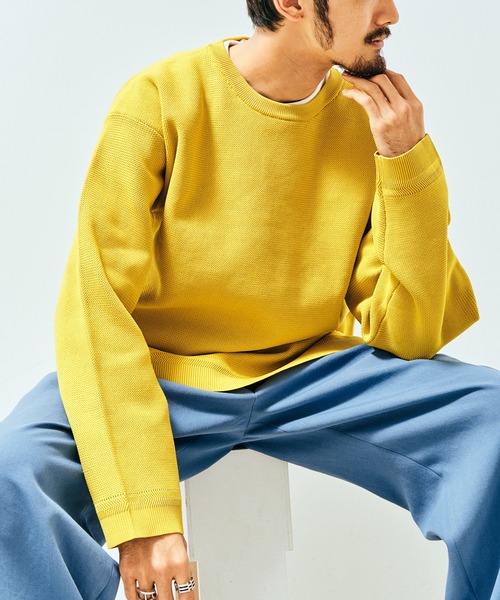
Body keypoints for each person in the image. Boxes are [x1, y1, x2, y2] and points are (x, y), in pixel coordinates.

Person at [1, 0, 499, 598]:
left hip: (310, 375)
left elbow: (410, 334)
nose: (390, 11)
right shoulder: (160, 100)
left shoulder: (364, 119)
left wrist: (406, 159)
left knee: (493, 418)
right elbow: (95, 310)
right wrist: (144, 518)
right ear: (291, 4)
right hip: (161, 379)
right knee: (11, 476)